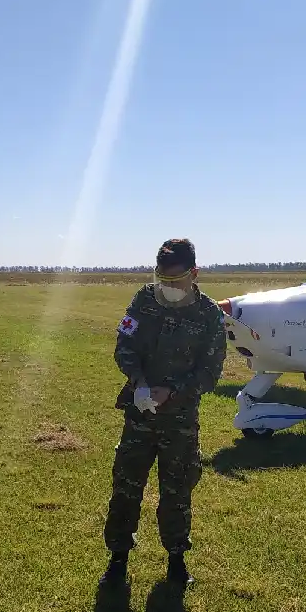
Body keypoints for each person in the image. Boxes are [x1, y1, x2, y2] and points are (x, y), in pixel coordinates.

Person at [102, 238, 227, 585]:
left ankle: (176, 562)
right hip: (140, 415)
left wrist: (172, 391)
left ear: (195, 273)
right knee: (126, 488)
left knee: (177, 491)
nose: (169, 288)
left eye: (176, 281)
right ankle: (117, 560)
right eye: (163, 280)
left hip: (180, 422)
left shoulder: (209, 316)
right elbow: (124, 346)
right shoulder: (144, 300)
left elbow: (210, 372)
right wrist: (139, 382)